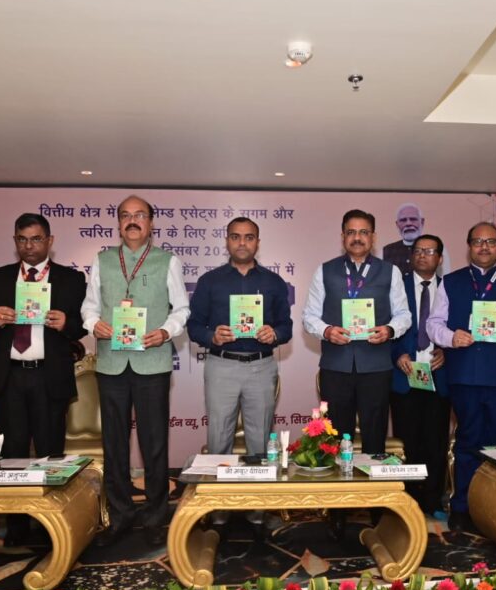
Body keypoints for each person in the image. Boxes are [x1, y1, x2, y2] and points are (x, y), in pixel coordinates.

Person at [81, 195, 189, 547]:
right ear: (118, 223)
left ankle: (156, 516)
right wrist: (94, 324)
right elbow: (89, 306)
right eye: (125, 215)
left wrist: (166, 332)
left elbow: (181, 309)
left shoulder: (167, 261)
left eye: (139, 215)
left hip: (152, 362)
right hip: (112, 363)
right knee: (114, 444)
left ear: (150, 223)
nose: (132, 221)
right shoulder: (102, 260)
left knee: (154, 443)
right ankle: (121, 516)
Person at [426, 223, 496, 531]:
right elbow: (433, 324)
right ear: (469, 246)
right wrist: (451, 337)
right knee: (467, 439)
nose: (484, 246)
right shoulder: (451, 282)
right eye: (478, 241)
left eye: (490, 242)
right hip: (464, 374)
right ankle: (462, 507)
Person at [0, 214, 87, 459]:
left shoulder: (71, 279)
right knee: (11, 454)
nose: (28, 246)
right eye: (22, 239)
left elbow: (83, 326)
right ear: (15, 240)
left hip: (50, 375)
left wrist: (66, 323)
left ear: (50, 240)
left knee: (50, 453)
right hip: (8, 376)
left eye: (36, 239)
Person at [302, 209, 411, 454]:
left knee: (375, 434)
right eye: (351, 232)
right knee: (336, 438)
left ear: (373, 237)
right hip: (336, 367)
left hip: (376, 368)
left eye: (364, 232)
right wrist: (327, 331)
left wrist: (390, 330)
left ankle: (372, 478)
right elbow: (309, 316)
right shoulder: (324, 270)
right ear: (343, 237)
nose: (357, 238)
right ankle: (340, 479)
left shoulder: (390, 271)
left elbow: (404, 314)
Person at [187, 217, 292, 456]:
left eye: (249, 237)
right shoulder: (209, 281)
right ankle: (218, 481)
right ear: (227, 241)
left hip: (261, 367)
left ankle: (259, 481)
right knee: (218, 439)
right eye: (236, 237)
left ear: (257, 242)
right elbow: (193, 326)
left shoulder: (273, 282)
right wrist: (212, 336)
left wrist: (274, 334)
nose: (242, 243)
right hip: (221, 366)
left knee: (261, 442)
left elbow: (286, 326)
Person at [389, 234, 450, 518]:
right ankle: (410, 500)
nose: (423, 255)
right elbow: (384, 326)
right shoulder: (395, 286)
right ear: (411, 255)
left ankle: (434, 500)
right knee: (408, 441)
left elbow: (460, 328)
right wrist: (398, 354)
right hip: (405, 375)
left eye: (430, 251)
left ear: (440, 258)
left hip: (438, 376)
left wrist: (446, 351)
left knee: (436, 441)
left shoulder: (450, 288)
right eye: (418, 250)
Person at [382, 203, 425, 275]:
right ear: (397, 224)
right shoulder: (386, 251)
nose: (408, 223)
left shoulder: (434, 249)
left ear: (422, 222)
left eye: (413, 219)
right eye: (403, 220)